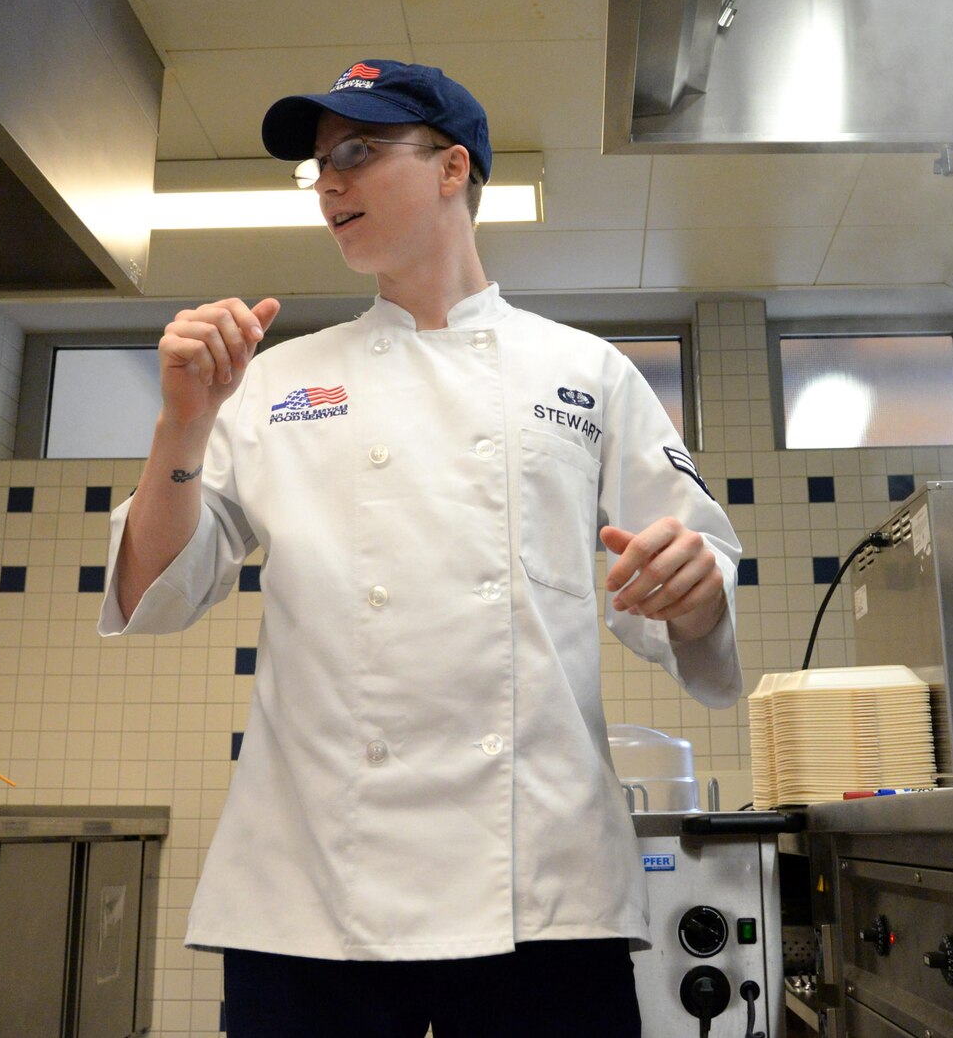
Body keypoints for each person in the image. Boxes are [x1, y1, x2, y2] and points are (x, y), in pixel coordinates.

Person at [100, 60, 745, 1037]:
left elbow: (695, 577)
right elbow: (154, 593)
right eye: (319, 164)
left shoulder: (586, 373)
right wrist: (182, 425)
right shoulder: (273, 382)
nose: (329, 182)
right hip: (313, 890)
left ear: (452, 168)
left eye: (357, 152)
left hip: (543, 887)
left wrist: (692, 588)